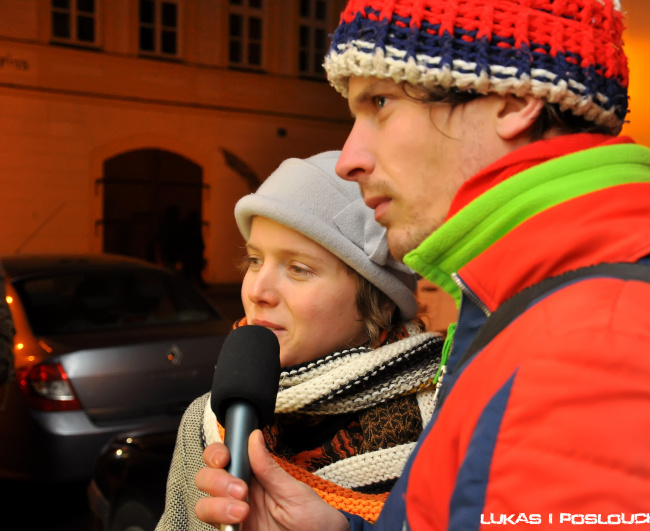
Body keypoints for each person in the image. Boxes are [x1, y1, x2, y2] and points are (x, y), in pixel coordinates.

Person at [194, 1, 650, 529]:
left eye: (380, 102)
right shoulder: (533, 315)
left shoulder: (602, 358)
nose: (350, 157)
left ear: (513, 100)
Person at [156, 151, 442, 530]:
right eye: (255, 260)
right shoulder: (208, 423)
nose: (258, 291)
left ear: (380, 300)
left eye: (298, 269)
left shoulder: (448, 420)